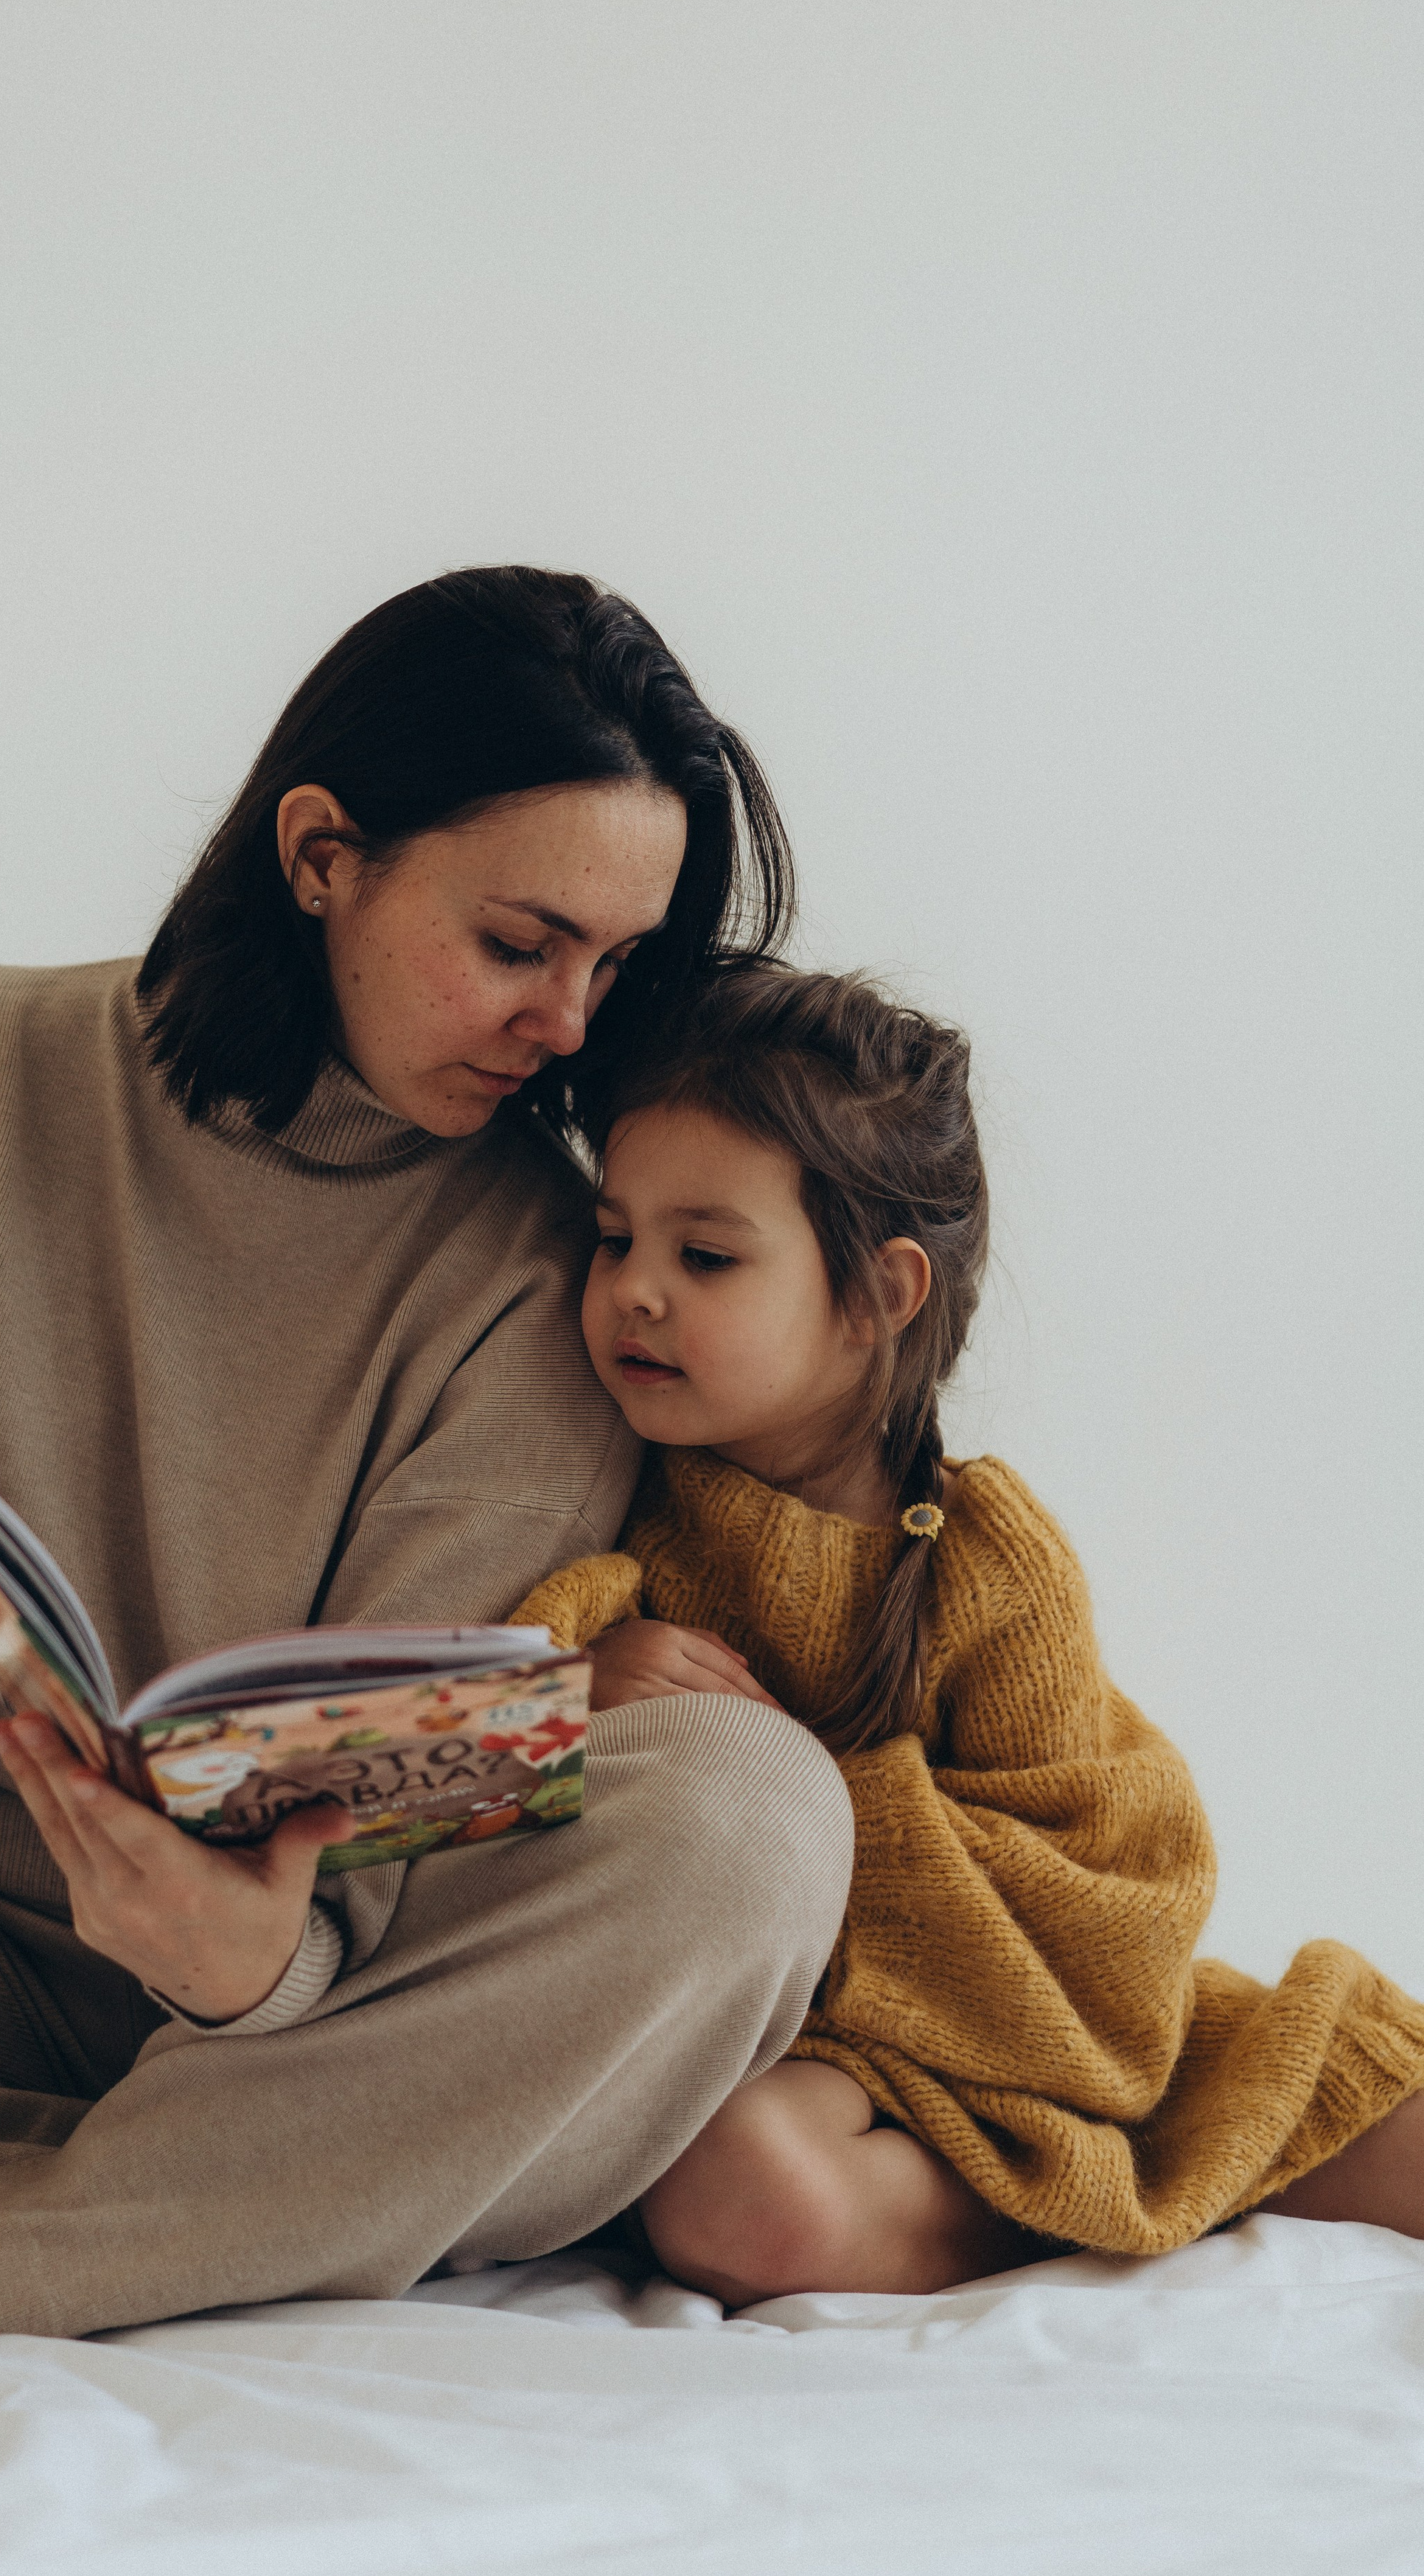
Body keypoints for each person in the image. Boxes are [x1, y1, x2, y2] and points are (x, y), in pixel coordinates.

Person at [0, 568, 854, 2351]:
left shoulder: (552, 1270)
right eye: (517, 944)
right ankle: (265, 2205)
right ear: (321, 855)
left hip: (309, 1981)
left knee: (754, 1816)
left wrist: (249, 1969)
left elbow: (385, 1830)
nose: (567, 1023)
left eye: (612, 966)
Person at [516, 961, 1424, 2302]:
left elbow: (1104, 1924)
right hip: (803, 2064)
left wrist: (806, 1805)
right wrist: (579, 1692)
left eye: (705, 1255)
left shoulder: (984, 1561)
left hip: (1031, 2036)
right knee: (739, 2196)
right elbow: (477, 1753)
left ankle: (1117, 2191)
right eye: (613, 1238)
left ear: (881, 1295)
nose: (636, 1289)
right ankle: (1055, 2205)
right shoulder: (606, 1493)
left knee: (1369, 2103)